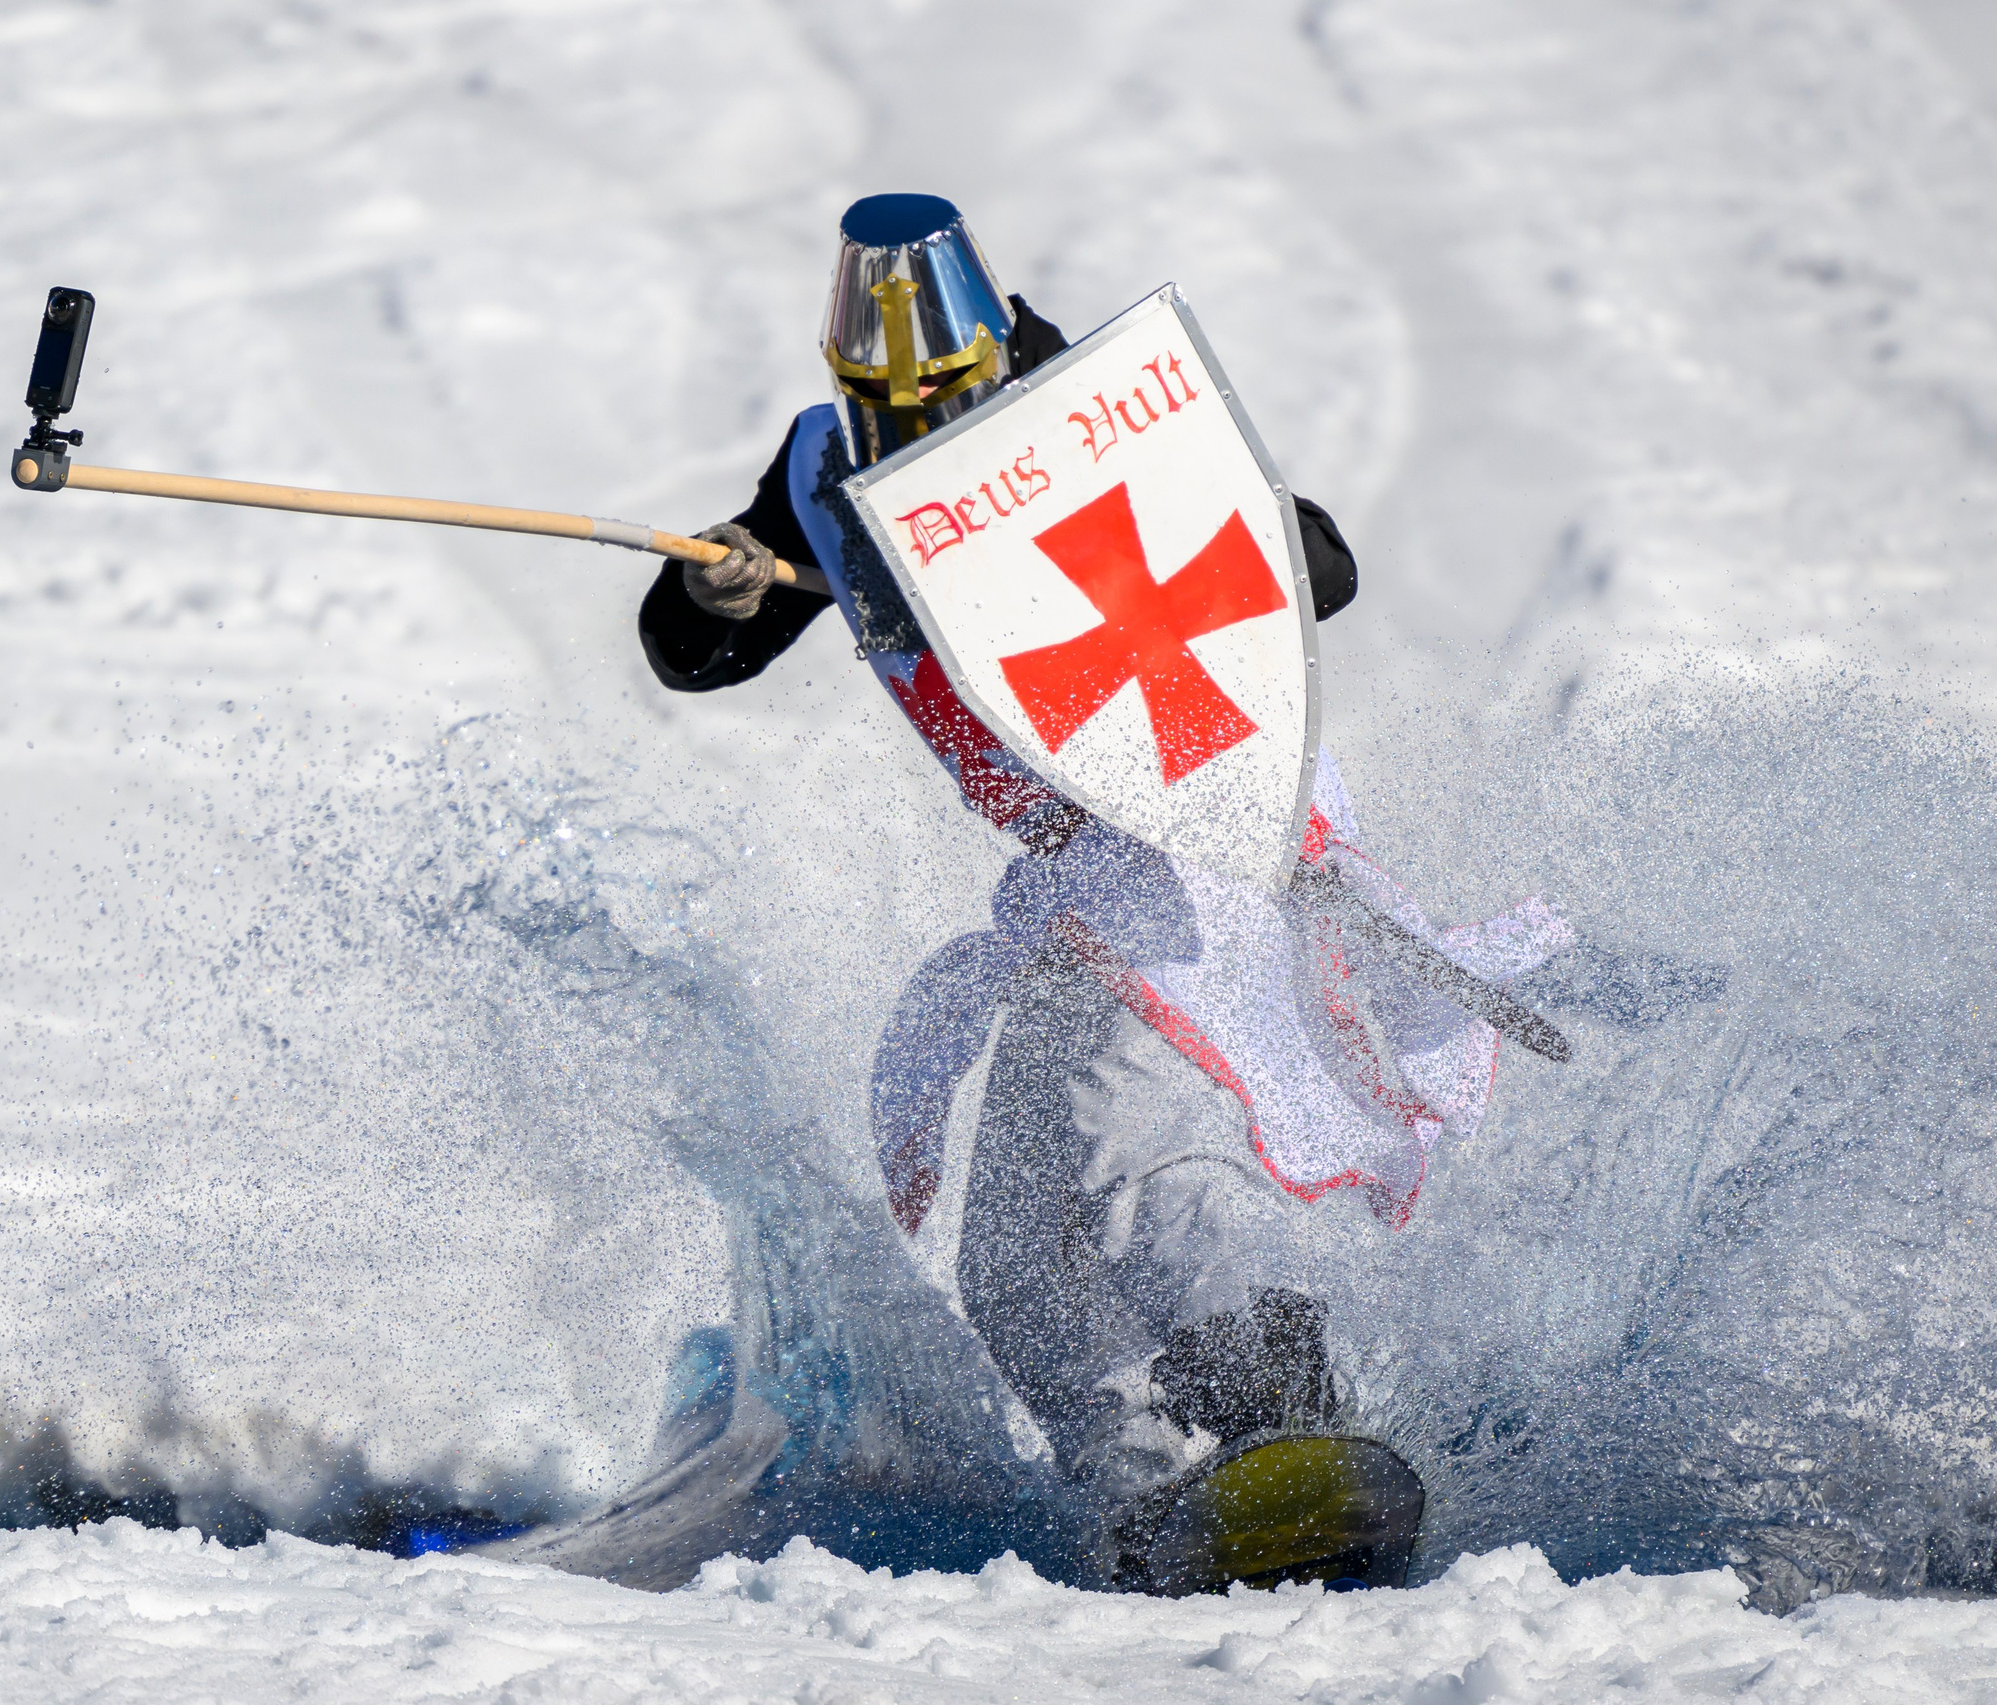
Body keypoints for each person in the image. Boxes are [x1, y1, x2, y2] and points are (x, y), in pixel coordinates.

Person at [638, 194, 1567, 1537]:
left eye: (943, 393)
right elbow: (692, 650)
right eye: (881, 400)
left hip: (1203, 846)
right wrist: (714, 594)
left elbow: (1325, 565)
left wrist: (1215, 514)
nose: (916, 428)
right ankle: (1149, 1501)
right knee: (1013, 1262)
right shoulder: (826, 471)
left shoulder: (1086, 419)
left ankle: (1287, 1425)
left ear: (992, 355)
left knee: (1121, 1163)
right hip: (1076, 886)